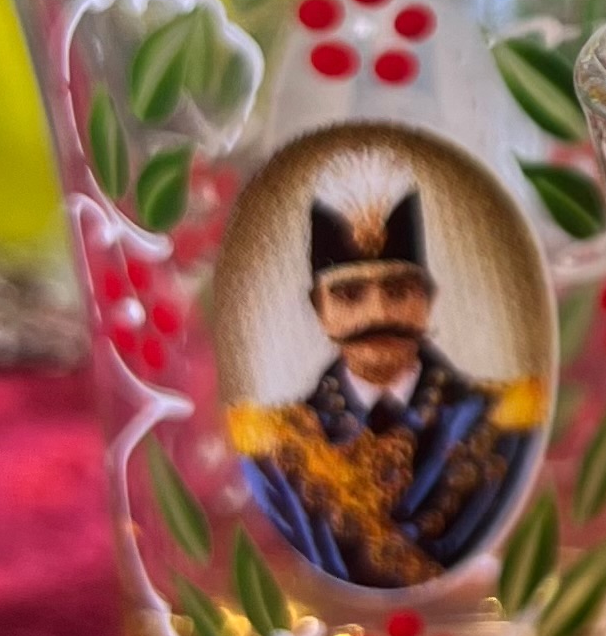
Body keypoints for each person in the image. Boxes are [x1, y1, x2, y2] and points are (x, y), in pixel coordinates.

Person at [228, 163, 542, 592]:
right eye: (349, 294)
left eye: (397, 291)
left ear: (427, 300)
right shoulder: (280, 442)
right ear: (319, 309)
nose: (377, 314)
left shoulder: (499, 423)